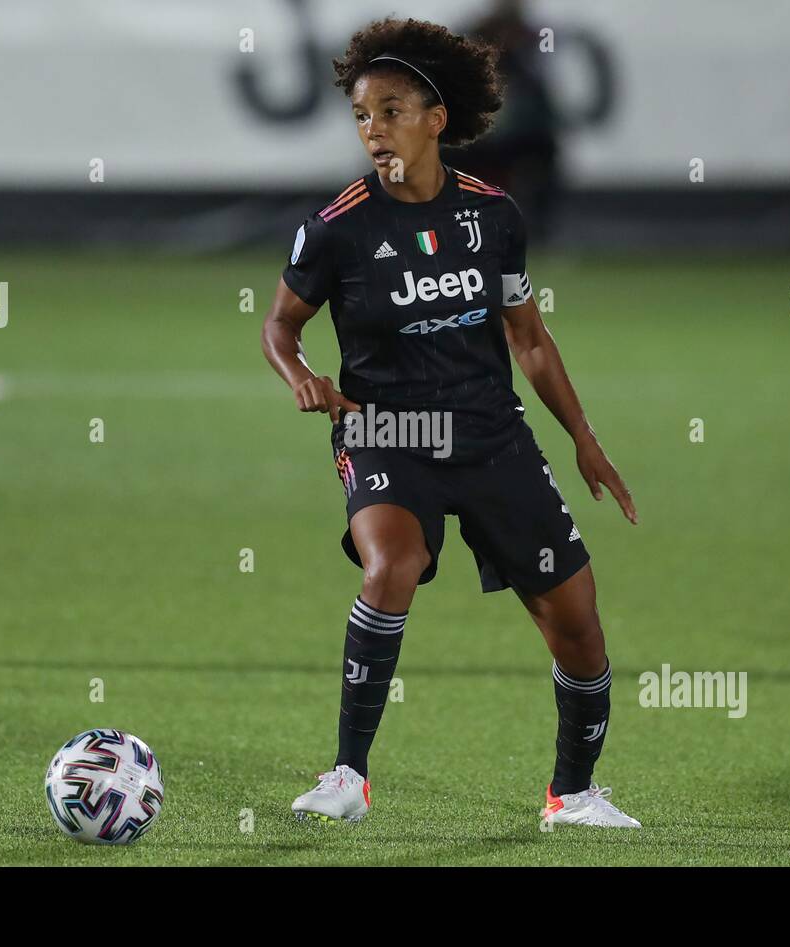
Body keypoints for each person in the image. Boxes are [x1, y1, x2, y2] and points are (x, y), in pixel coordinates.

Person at [260, 17, 640, 828]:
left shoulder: (493, 217)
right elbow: (280, 326)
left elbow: (528, 339)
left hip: (491, 434)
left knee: (577, 623)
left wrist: (583, 439)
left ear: (437, 118)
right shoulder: (338, 227)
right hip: (385, 433)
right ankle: (347, 777)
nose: (374, 129)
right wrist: (301, 375)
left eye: (391, 110)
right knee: (389, 567)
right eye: (362, 114)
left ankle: (571, 793)